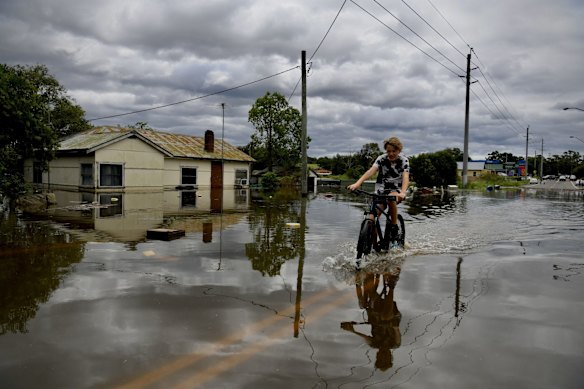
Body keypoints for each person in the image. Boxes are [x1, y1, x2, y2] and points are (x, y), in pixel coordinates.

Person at [347, 136, 409, 247]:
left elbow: (405, 176)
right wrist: (357, 184)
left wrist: (403, 192)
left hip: (396, 190)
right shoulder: (381, 159)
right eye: (388, 151)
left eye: (394, 151)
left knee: (391, 198)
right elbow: (371, 171)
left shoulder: (403, 160)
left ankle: (394, 227)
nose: (390, 154)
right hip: (381, 191)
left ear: (399, 150)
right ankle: (375, 246)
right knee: (371, 218)